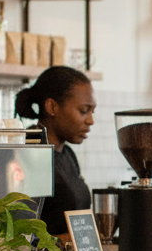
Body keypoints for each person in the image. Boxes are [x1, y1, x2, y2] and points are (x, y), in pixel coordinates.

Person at [15, 66, 95, 239]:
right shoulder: (32, 152)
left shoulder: (67, 154)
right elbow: (21, 234)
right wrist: (66, 240)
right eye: (83, 111)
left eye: (92, 111)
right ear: (52, 107)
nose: (90, 120)